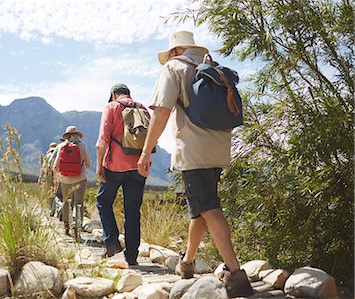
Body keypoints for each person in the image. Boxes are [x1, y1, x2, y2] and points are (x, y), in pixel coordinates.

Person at [137, 30, 254, 298]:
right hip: (219, 149)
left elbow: (162, 111)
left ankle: (236, 276)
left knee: (209, 206)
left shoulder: (174, 67)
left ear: (175, 51)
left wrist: (145, 153)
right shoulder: (210, 67)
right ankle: (187, 263)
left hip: (193, 150)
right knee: (199, 207)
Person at [96, 83, 147, 266]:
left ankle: (112, 242)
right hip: (139, 167)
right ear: (128, 94)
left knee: (103, 201)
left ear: (114, 94)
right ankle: (132, 256)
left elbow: (103, 139)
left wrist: (99, 165)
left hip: (115, 165)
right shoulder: (142, 108)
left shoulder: (111, 107)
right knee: (132, 210)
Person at [53, 126, 91, 235]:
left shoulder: (61, 146)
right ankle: (77, 227)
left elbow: (56, 165)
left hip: (65, 180)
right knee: (78, 203)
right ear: (77, 134)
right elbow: (88, 163)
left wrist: (57, 176)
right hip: (80, 178)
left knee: (67, 202)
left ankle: (67, 226)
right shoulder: (83, 145)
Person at [38, 142, 61, 217]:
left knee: (50, 192)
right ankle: (58, 210)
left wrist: (40, 178)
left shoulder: (47, 156)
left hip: (48, 176)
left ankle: (51, 210)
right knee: (57, 192)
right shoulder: (59, 154)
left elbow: (43, 168)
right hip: (57, 175)